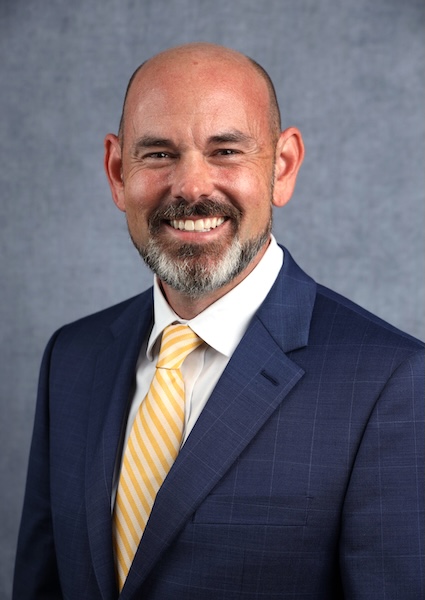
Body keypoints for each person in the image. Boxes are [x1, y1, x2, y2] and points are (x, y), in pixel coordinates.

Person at [13, 42, 424, 599]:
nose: (191, 186)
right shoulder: (72, 356)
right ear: (117, 171)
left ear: (282, 167)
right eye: (159, 153)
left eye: (226, 150)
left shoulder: (391, 382)